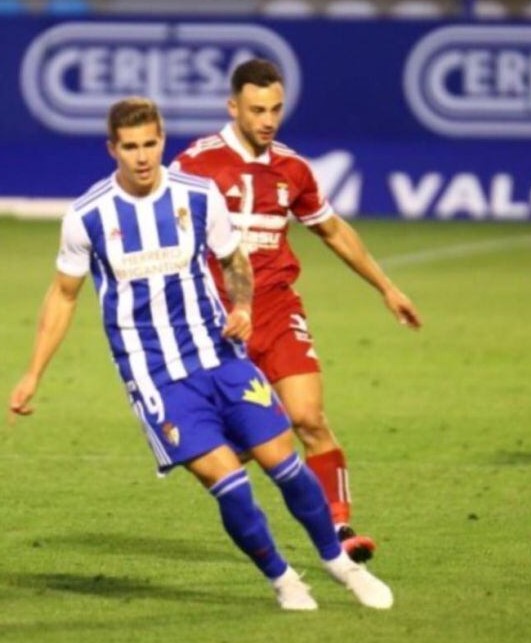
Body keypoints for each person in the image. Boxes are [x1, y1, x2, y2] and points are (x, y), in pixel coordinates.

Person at [8, 97, 393, 610]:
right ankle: (283, 580)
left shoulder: (198, 195)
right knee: (229, 485)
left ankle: (341, 566)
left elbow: (234, 259)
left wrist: (242, 305)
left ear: (162, 141)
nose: (142, 156)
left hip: (222, 357)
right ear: (112, 149)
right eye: (130, 147)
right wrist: (34, 372)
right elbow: (63, 295)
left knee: (285, 463)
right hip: (157, 378)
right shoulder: (87, 216)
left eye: (150, 144)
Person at [171, 60, 422, 562]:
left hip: (277, 308)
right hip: (217, 320)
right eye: (257, 109)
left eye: (276, 110)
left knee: (308, 417)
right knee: (233, 449)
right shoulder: (195, 165)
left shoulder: (292, 169)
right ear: (233, 107)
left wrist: (385, 287)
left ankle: (340, 528)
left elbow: (332, 231)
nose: (268, 120)